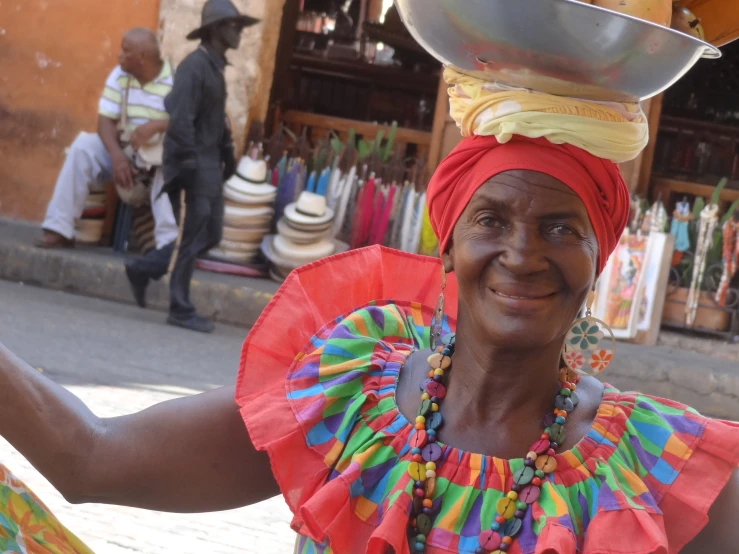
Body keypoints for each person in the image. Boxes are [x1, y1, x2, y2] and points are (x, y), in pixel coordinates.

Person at [2, 71, 738, 554]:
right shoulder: (352, 398)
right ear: (446, 245)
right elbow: (91, 458)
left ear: (597, 260)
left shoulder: (651, 466)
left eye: (560, 229)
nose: (521, 253)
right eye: (491, 221)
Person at [153, 0, 257, 333]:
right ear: (215, 30)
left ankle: (147, 268)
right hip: (197, 164)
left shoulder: (214, 67)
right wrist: (189, 166)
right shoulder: (194, 67)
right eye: (234, 26)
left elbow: (215, 122)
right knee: (194, 235)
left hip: (211, 163)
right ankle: (179, 306)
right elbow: (180, 120)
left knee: (209, 234)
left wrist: (227, 156)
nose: (239, 32)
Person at [37, 28, 178, 260]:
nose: (119, 55)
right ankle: (59, 228)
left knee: (168, 164)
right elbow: (105, 121)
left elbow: (186, 123)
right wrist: (117, 157)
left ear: (142, 57)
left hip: (158, 156)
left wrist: (156, 125)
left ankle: (166, 248)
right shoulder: (120, 75)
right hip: (124, 148)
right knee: (83, 146)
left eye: (126, 50)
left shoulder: (174, 79)